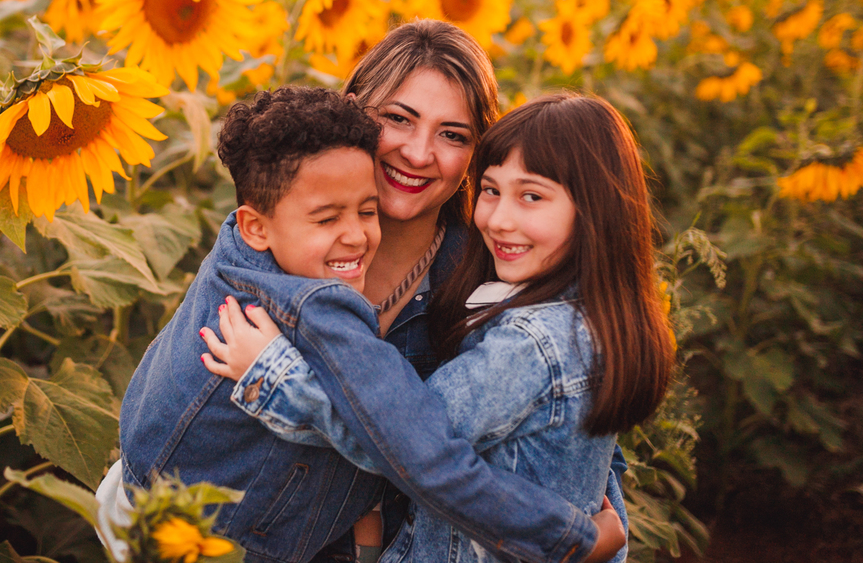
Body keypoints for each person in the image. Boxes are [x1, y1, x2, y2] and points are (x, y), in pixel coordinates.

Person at [112, 20, 625, 563]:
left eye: (453, 135)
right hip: (184, 533)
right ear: (354, 113)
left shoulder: (483, 265)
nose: (419, 152)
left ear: (477, 153)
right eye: (398, 120)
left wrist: (593, 513)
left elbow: (564, 410)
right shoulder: (276, 249)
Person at [201, 93, 674, 563]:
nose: (500, 220)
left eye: (532, 196)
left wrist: (275, 376)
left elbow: (405, 442)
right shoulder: (592, 321)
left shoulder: (530, 344)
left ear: (596, 211)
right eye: (490, 190)